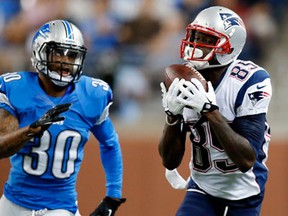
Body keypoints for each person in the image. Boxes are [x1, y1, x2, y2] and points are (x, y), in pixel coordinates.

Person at [0, 20, 126, 216]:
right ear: (39, 52)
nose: (66, 61)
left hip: (59, 207)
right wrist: (29, 131)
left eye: (72, 55)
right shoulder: (17, 89)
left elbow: (109, 142)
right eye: (58, 52)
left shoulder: (91, 95)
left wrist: (113, 196)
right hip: (12, 202)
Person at [159, 6, 272, 216]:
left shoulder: (249, 81)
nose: (195, 45)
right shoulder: (185, 78)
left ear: (229, 46)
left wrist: (210, 111)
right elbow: (170, 160)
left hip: (243, 193)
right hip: (202, 187)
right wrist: (172, 117)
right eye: (194, 36)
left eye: (206, 39)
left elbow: (246, 160)